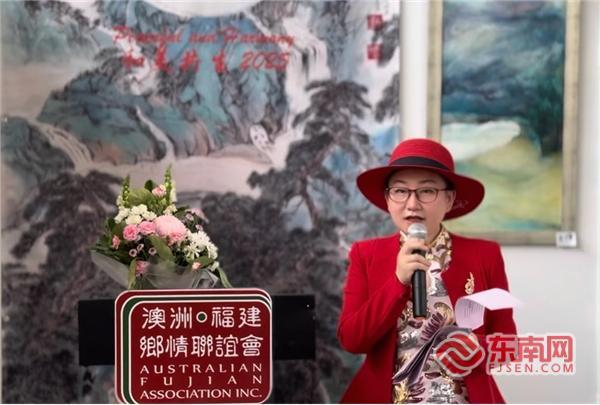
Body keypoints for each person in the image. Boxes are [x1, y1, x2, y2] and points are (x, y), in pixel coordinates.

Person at [337, 138, 517, 404]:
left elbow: (508, 345)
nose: (412, 204)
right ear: (388, 199)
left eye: (427, 191)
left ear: (449, 199)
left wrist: (470, 347)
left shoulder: (484, 255)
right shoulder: (366, 254)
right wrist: (398, 280)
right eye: (400, 191)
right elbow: (352, 341)